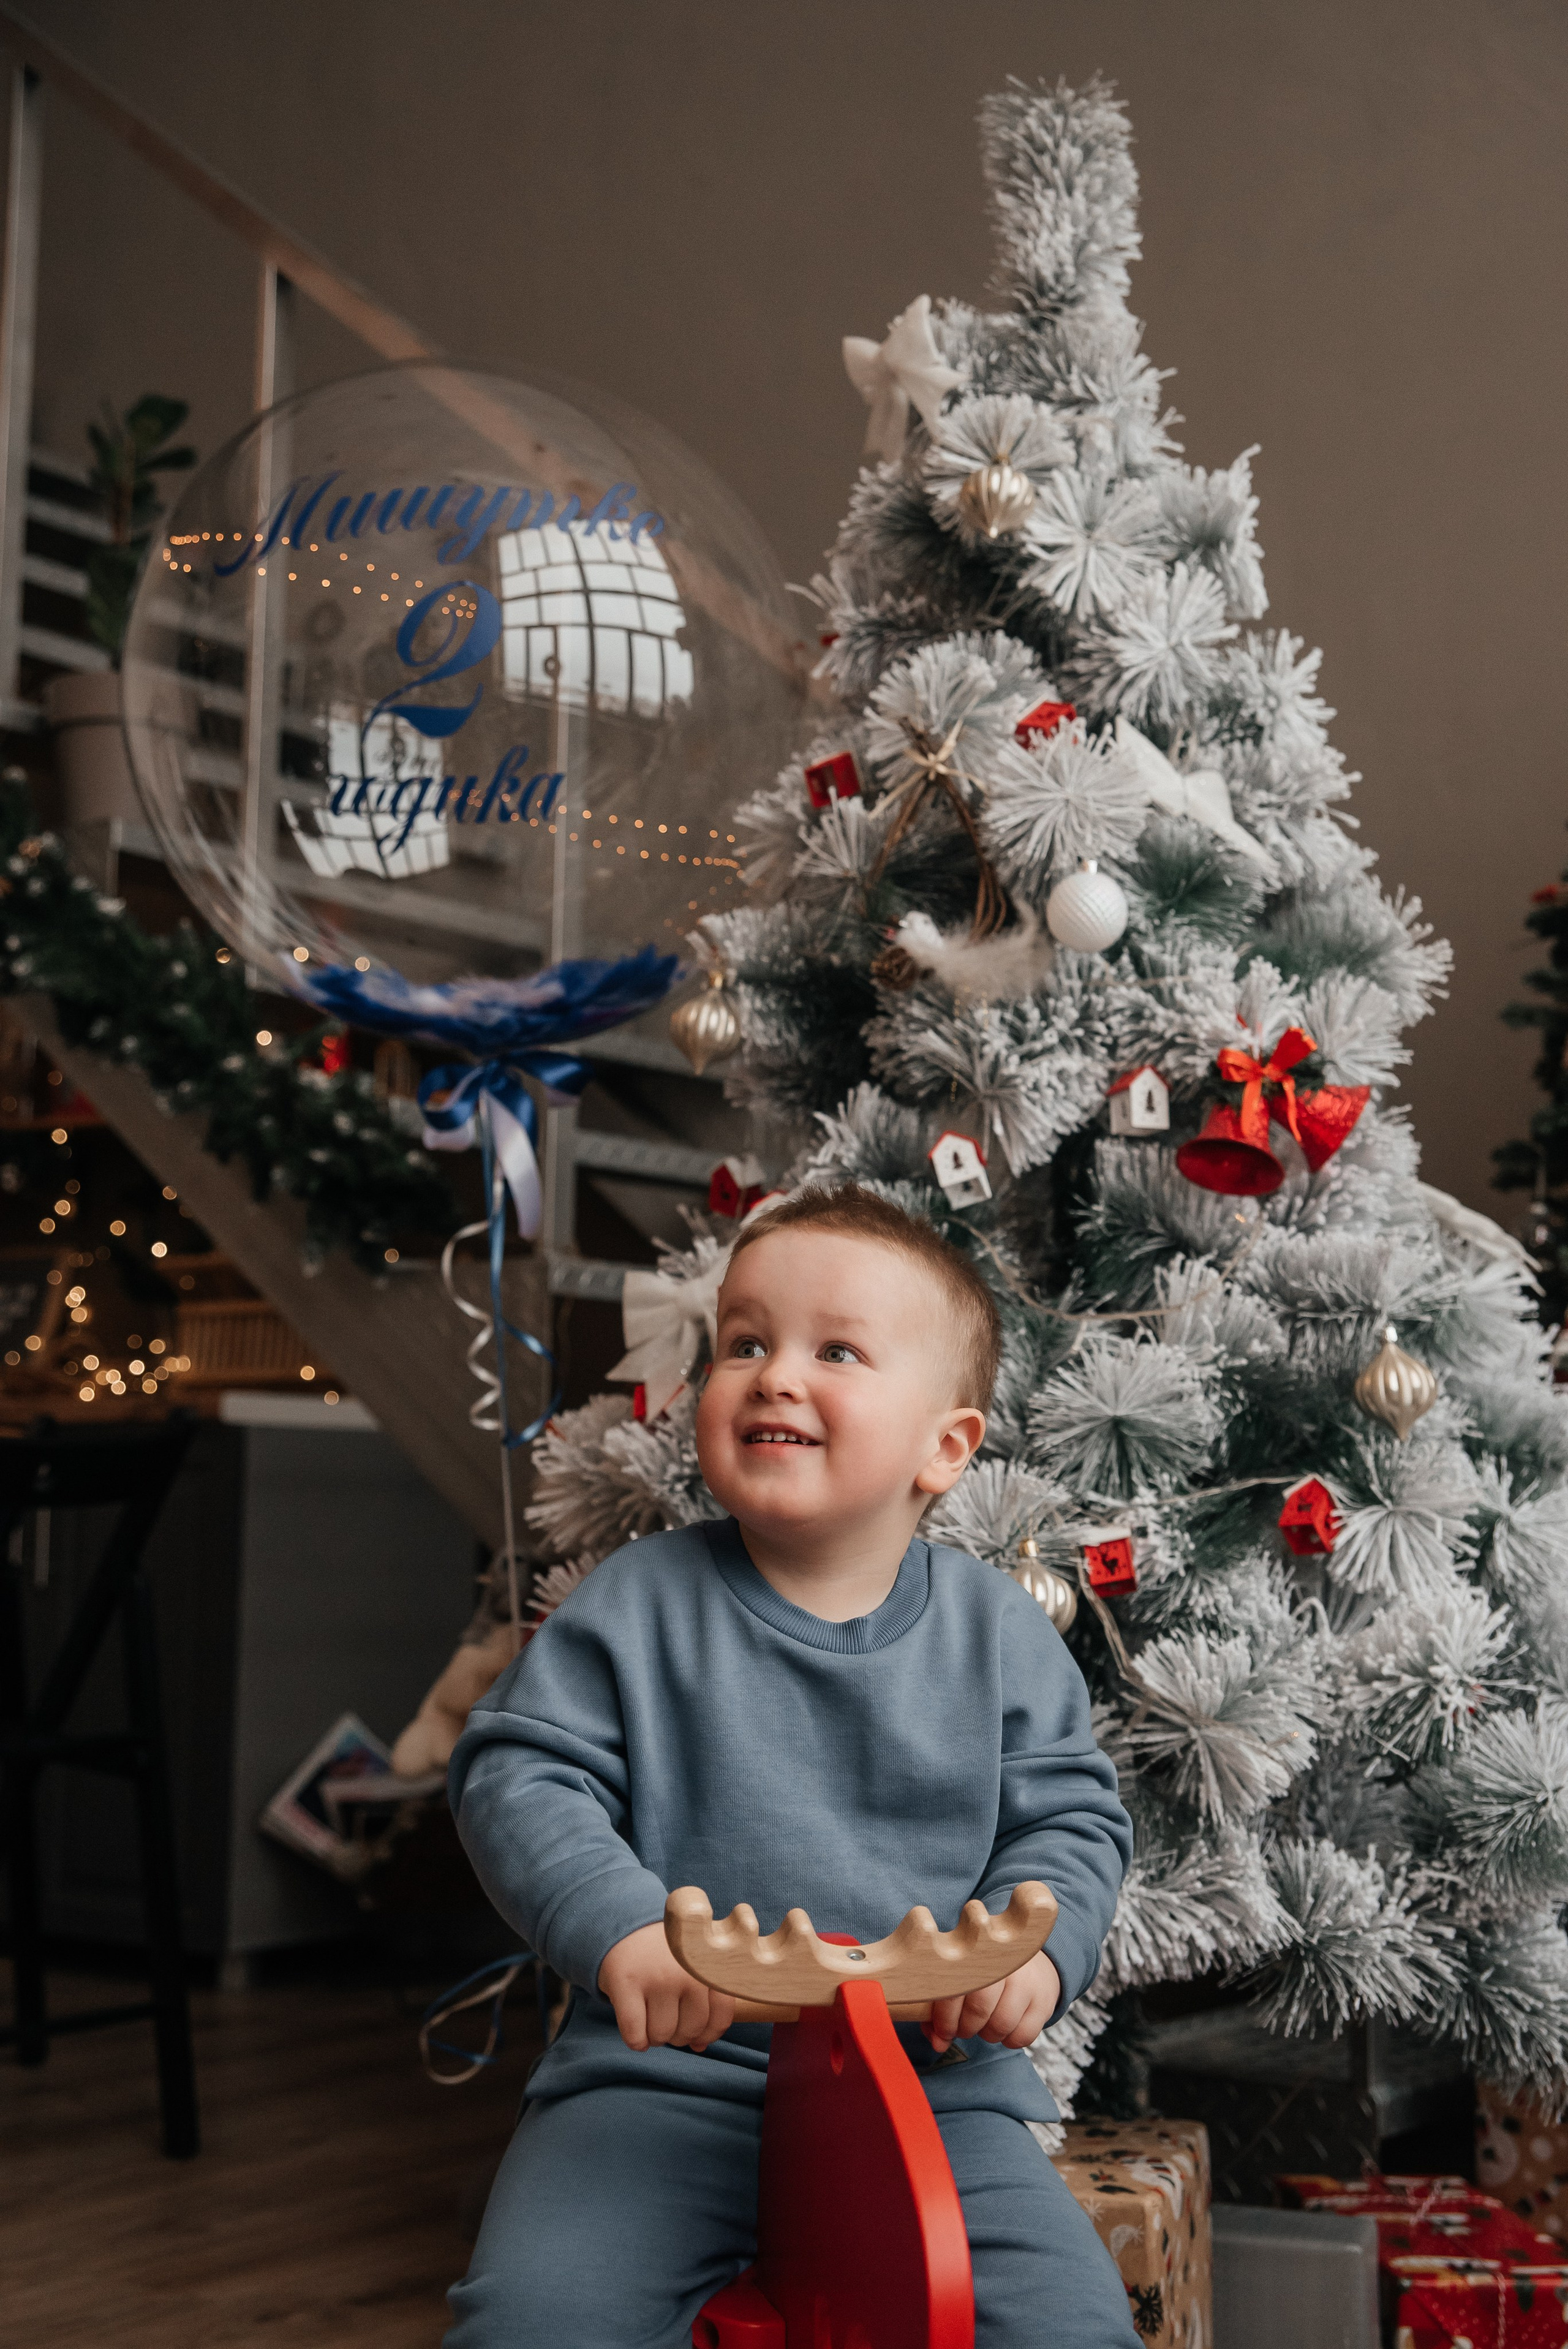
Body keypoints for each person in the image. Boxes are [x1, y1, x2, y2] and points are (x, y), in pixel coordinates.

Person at [445, 1183, 1137, 2349]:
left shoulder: (1000, 1632)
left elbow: (1070, 1819)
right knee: (534, 2320)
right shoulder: (636, 1603)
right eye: (746, 1342)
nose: (773, 1374)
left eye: (838, 1351)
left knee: (1070, 2326)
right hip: (663, 2078)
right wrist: (624, 1931)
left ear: (946, 1447)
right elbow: (518, 1778)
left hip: (936, 2086)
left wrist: (1041, 1956)